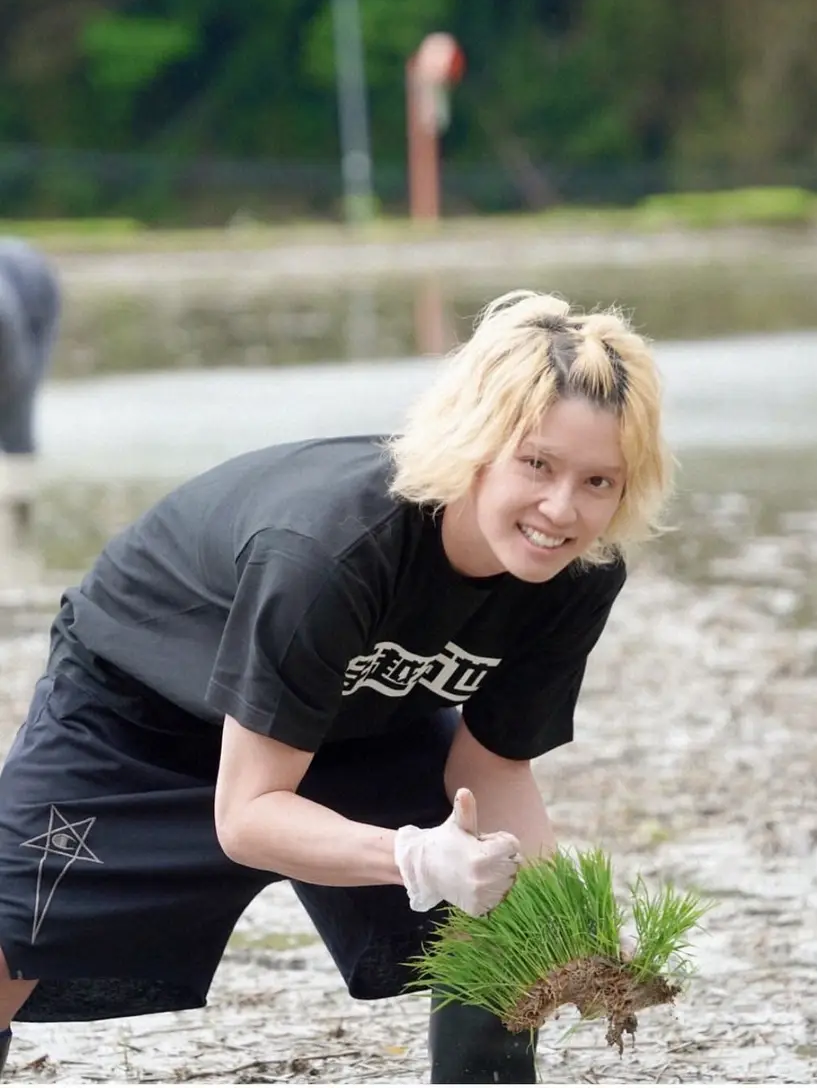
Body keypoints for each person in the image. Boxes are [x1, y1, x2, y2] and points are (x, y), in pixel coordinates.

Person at [0, 290, 673, 1083]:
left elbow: (492, 772)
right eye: (537, 464)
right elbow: (247, 815)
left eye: (599, 482)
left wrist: (568, 924)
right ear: (478, 445)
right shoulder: (332, 552)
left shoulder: (575, 577)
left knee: (502, 899)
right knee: (12, 935)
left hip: (361, 720)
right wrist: (413, 857)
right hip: (141, 709)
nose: (562, 509)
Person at [0, 240, 62, 544]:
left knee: (17, 420)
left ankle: (22, 523)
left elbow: (16, 376)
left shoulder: (4, 316)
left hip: (36, 301)